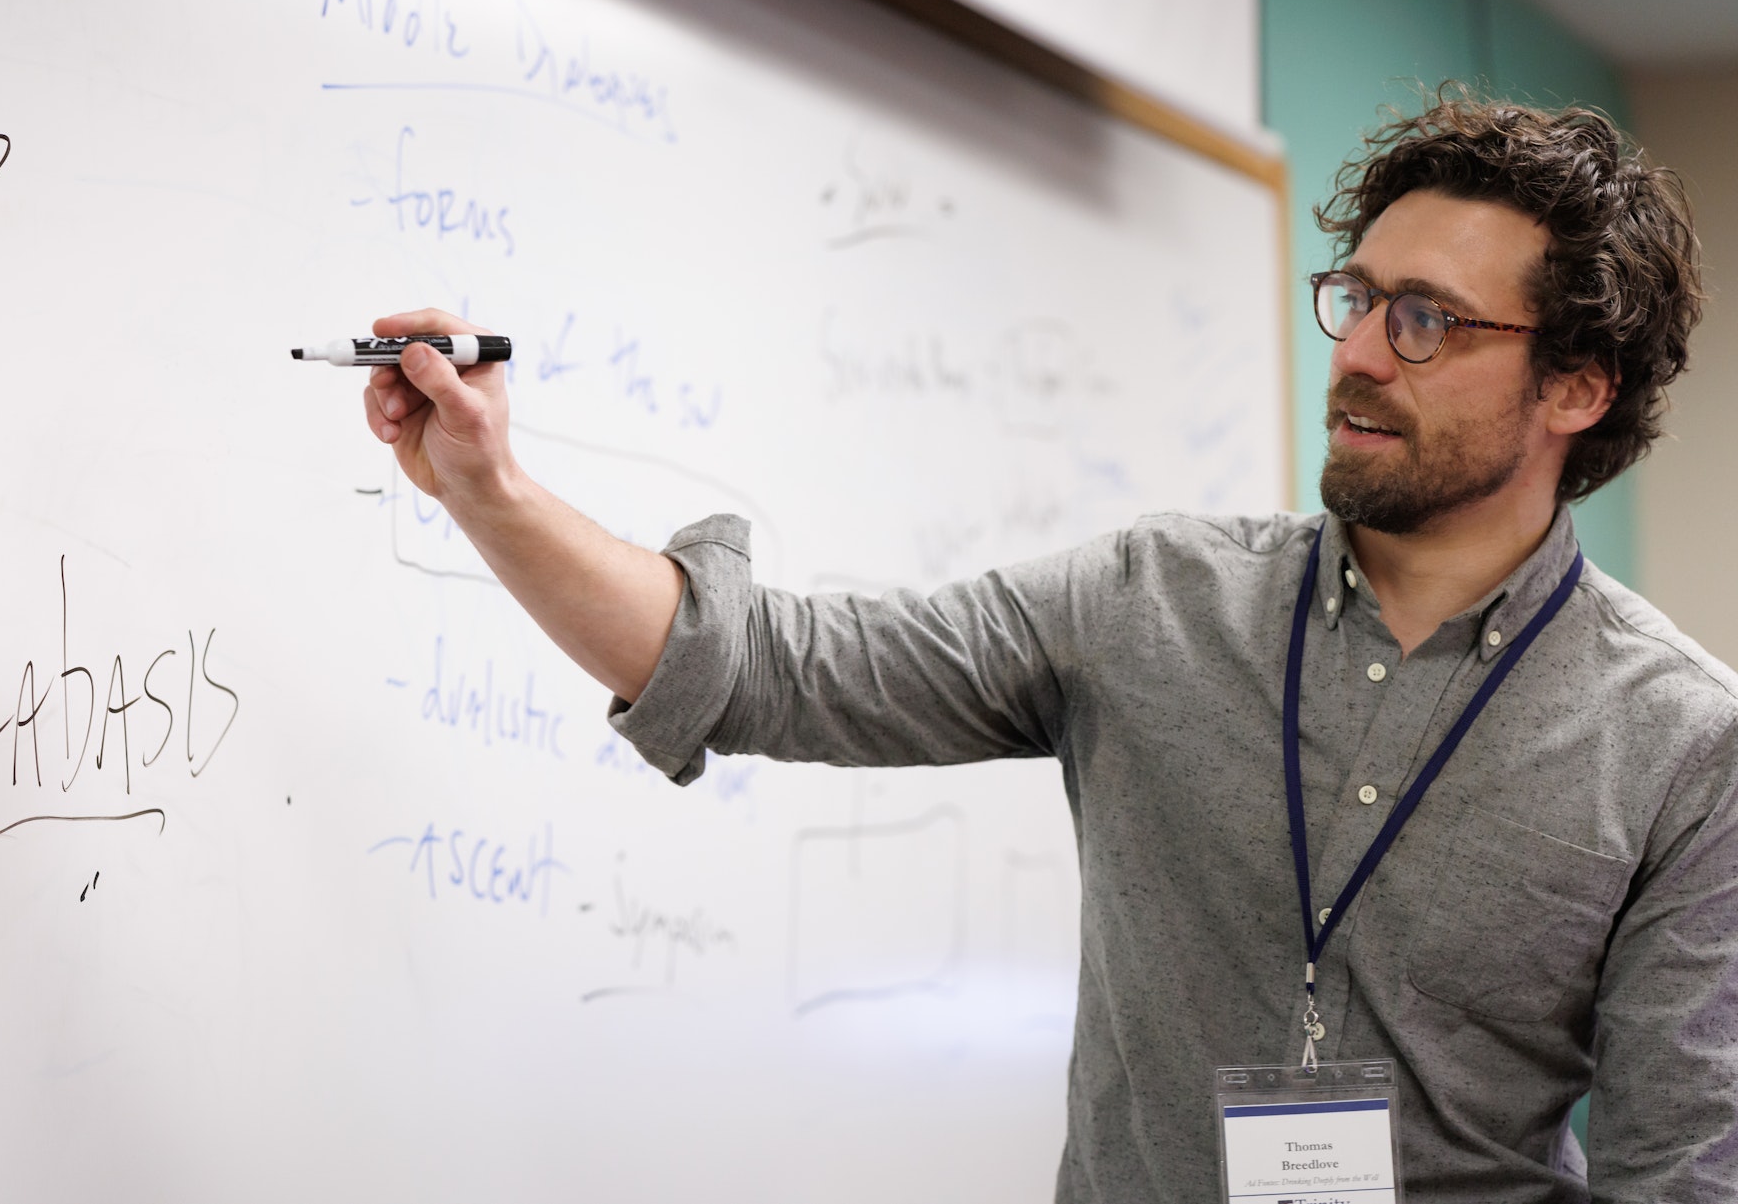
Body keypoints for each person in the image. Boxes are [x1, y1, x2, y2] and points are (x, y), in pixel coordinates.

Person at [359, 94, 1729, 1202]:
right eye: (1355, 298)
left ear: (1575, 386)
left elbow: (1681, 1173)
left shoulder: (1680, 745)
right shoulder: (1153, 602)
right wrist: (490, 487)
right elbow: (774, 664)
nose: (1360, 352)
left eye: (1425, 320)